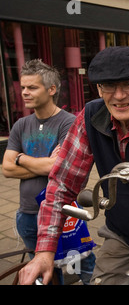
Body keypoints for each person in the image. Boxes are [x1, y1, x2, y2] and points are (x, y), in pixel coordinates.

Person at [18, 46, 129, 285]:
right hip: (120, 237)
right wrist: (44, 252)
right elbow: (61, 184)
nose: (118, 96)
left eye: (128, 84)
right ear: (99, 88)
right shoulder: (90, 116)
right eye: (108, 86)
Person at [2, 59, 96, 285]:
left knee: (82, 262)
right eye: (23, 87)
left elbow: (57, 167)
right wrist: (43, 164)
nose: (24, 92)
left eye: (32, 87)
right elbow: (6, 168)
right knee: (45, 272)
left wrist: (21, 158)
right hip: (27, 213)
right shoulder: (21, 125)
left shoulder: (70, 123)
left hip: (65, 212)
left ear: (51, 89)